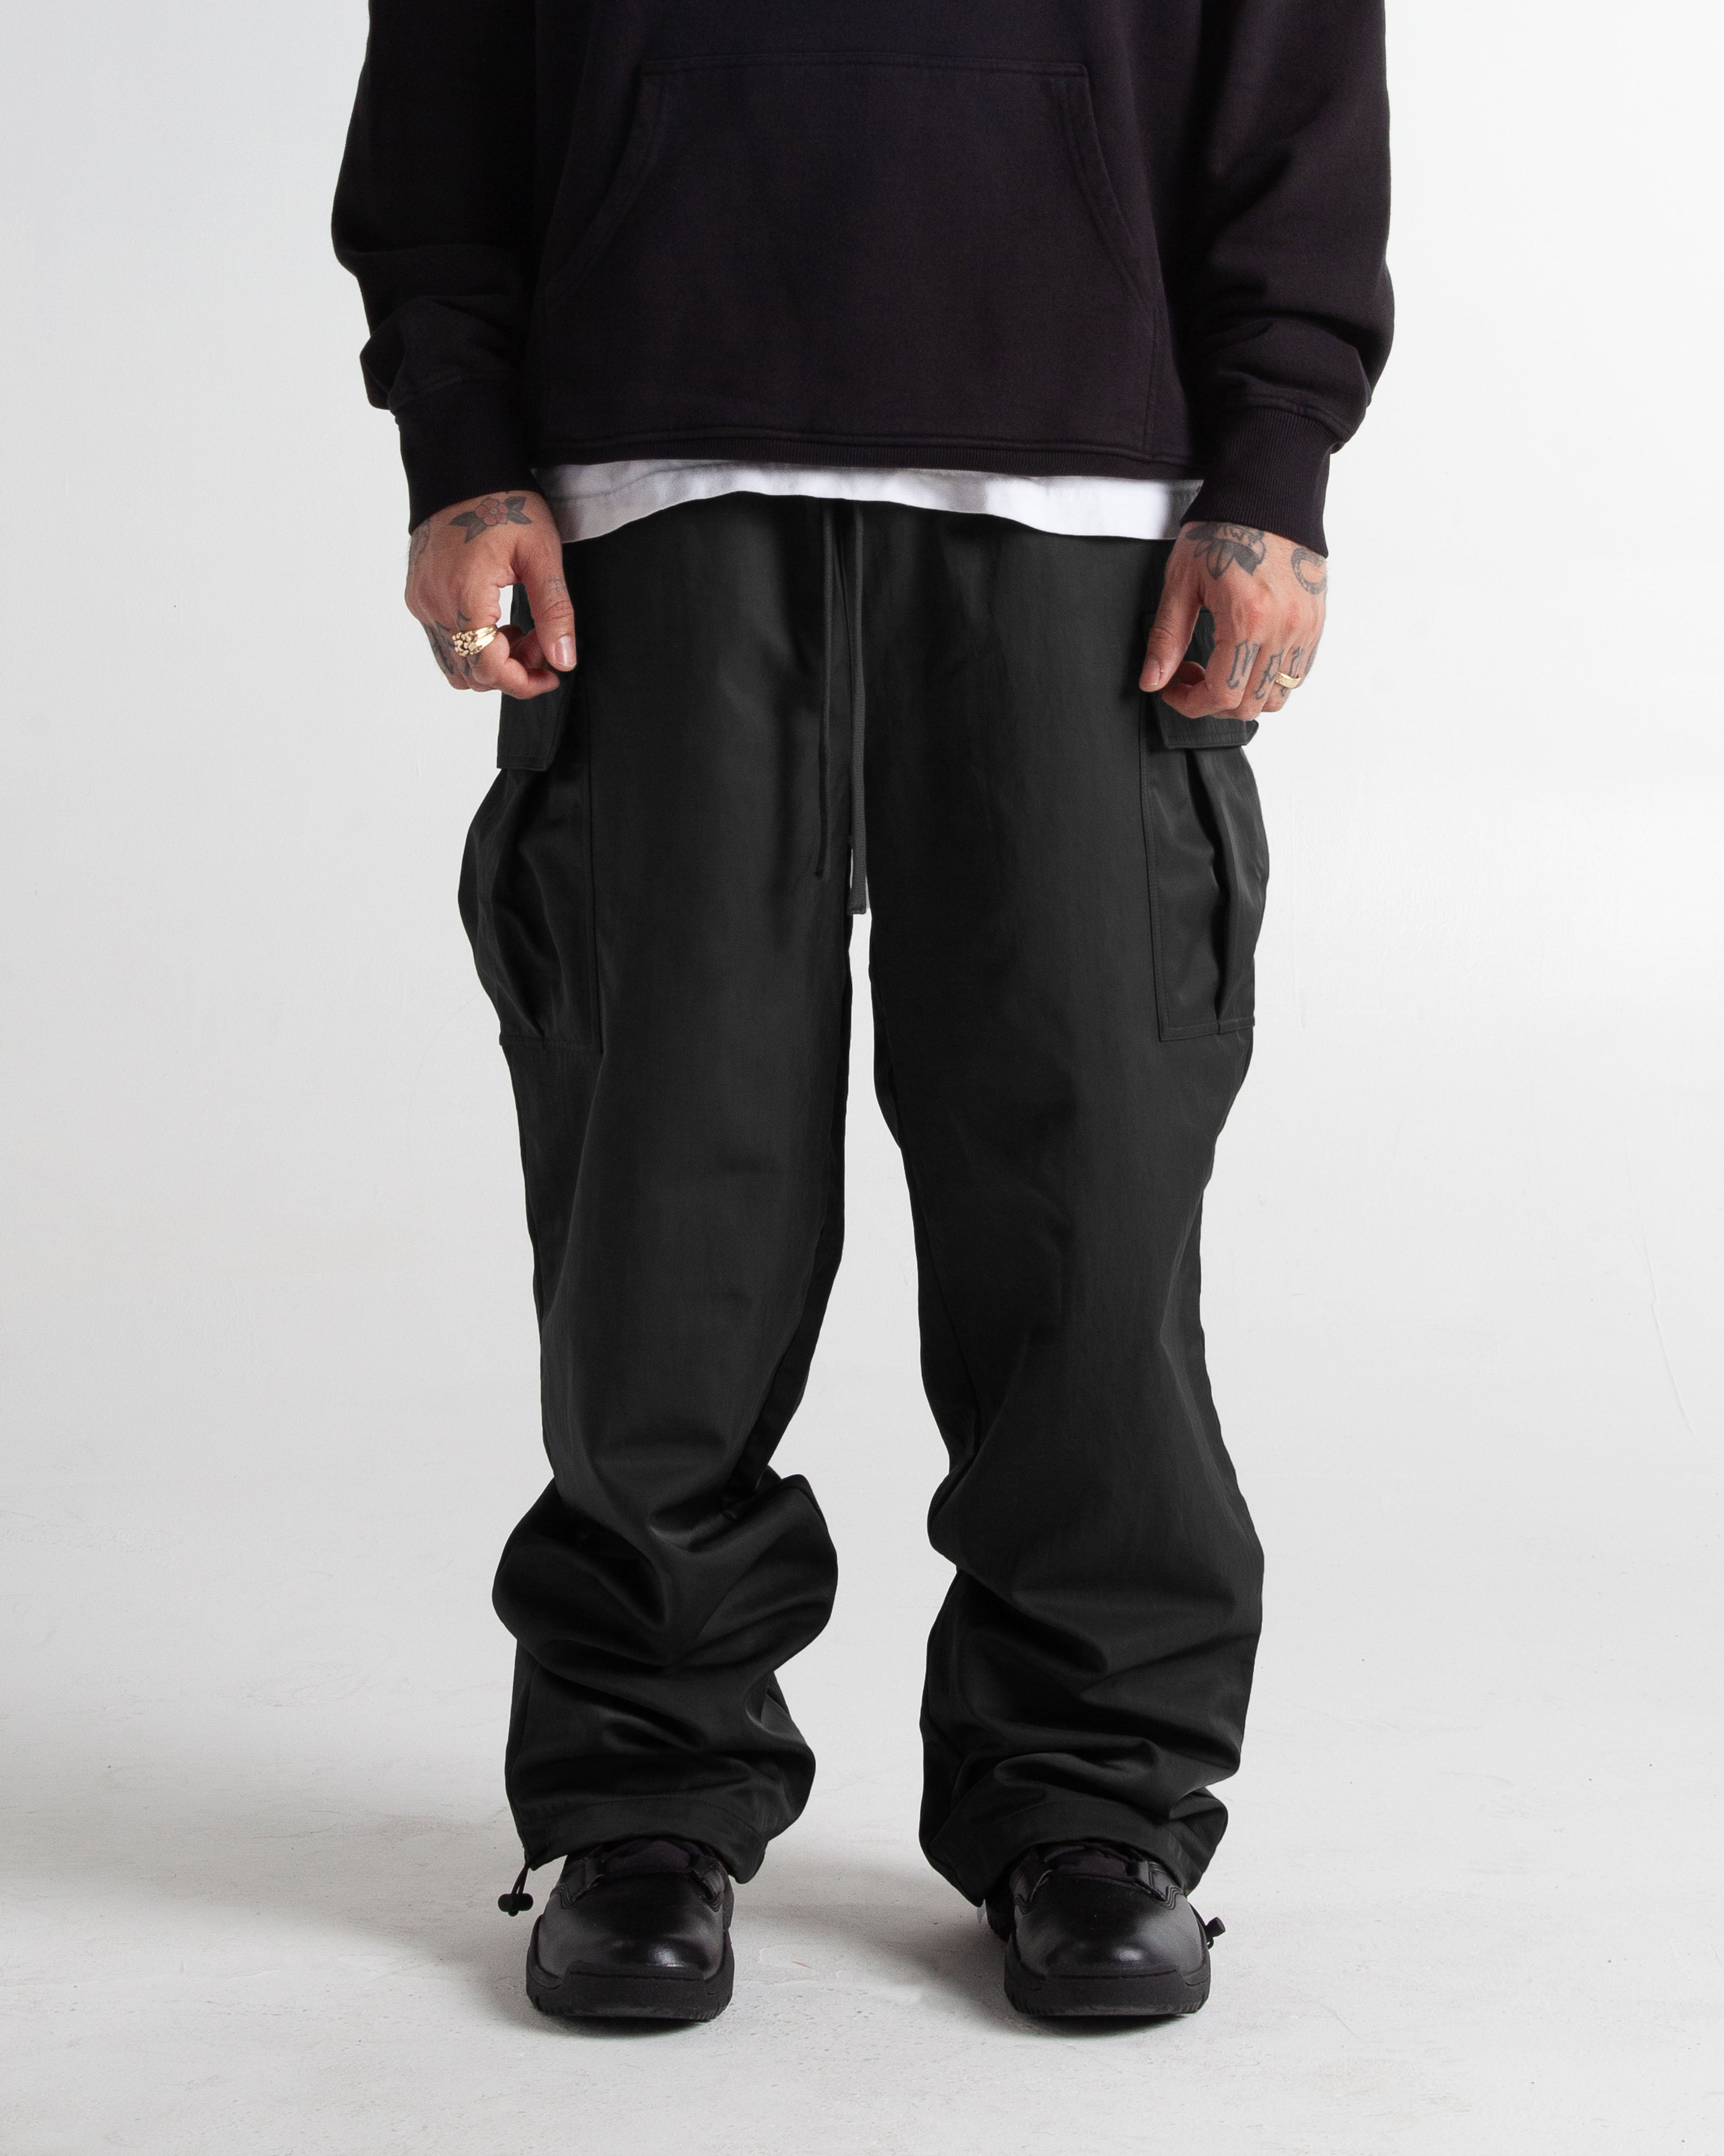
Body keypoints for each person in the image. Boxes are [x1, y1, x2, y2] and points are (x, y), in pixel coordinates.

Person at [335, 0, 1391, 2025]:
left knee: (1086, 1190)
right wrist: (459, 447)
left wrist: (1273, 461)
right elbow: (447, 85)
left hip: (1084, 503)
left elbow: (1292, 77)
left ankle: (1091, 1795)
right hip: (651, 481)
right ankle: (642, 1793)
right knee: (665, 1204)